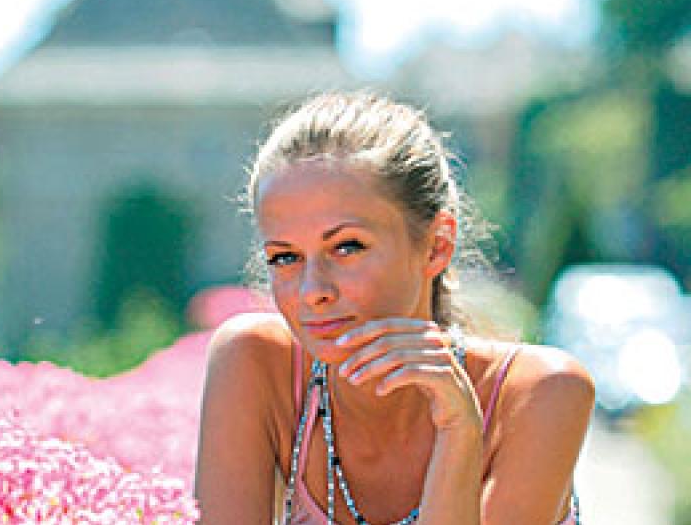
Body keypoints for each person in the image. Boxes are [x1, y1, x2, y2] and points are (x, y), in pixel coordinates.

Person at [194, 93, 594, 524]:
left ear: (437, 245)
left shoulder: (541, 392)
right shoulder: (256, 363)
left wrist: (459, 434)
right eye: (285, 257)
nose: (313, 291)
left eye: (347, 247)